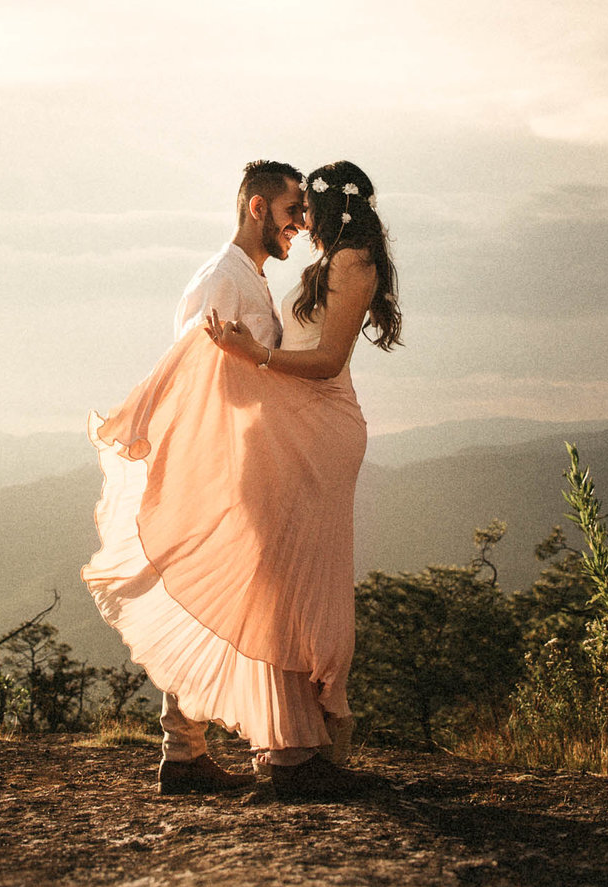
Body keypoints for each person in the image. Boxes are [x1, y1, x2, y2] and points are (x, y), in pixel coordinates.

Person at [84, 159, 403, 799]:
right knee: (231, 583)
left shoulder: (266, 275)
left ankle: (205, 747)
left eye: (306, 212)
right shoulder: (221, 281)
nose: (299, 224)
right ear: (259, 209)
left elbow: (286, 362)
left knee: (258, 587)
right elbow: (196, 370)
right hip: (240, 452)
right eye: (291, 212)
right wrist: (156, 423)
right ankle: (221, 749)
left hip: (288, 446)